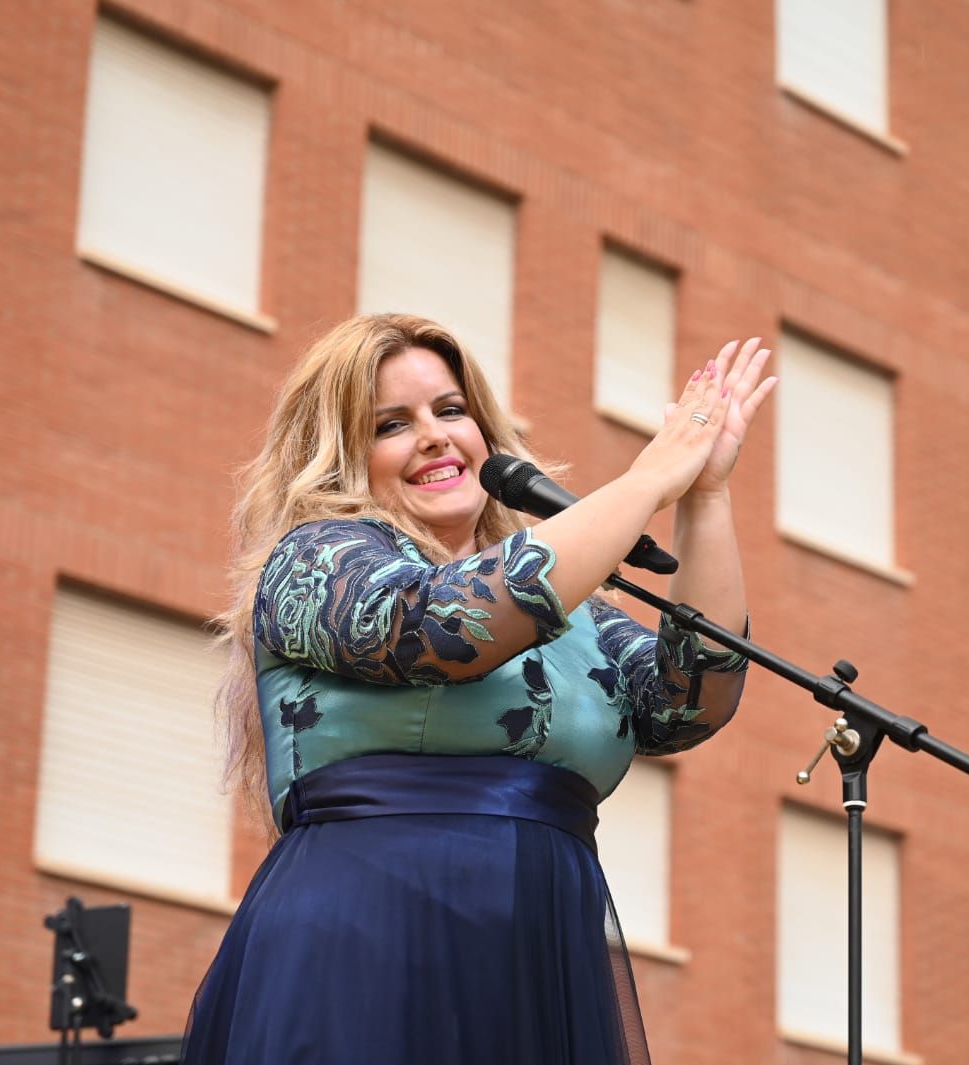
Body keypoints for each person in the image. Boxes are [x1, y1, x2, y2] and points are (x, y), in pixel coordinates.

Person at [181, 312, 777, 1065]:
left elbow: (692, 700)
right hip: (364, 942)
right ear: (340, 456)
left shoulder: (578, 613)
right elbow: (442, 627)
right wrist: (651, 476)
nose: (433, 434)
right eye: (390, 423)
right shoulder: (314, 562)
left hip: (534, 958)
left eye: (451, 410)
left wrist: (705, 495)